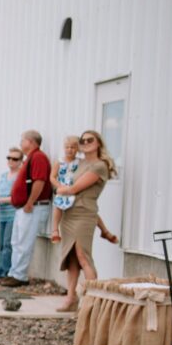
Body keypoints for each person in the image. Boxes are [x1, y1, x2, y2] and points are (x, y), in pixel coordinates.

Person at [54, 130, 119, 311]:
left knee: (83, 256)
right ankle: (71, 298)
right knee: (71, 258)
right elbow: (60, 173)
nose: (86, 142)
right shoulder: (79, 163)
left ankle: (94, 301)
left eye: (90, 139)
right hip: (69, 214)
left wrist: (61, 190)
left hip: (83, 215)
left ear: (98, 142)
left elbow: (74, 188)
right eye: (83, 140)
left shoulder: (99, 166)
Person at [0, 130, 52, 287]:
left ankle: (20, 275)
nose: (21, 143)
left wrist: (30, 202)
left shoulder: (38, 157)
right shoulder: (30, 158)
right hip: (23, 207)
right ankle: (13, 273)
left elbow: (39, 181)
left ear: (31, 142)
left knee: (24, 242)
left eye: (23, 140)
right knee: (16, 241)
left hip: (32, 207)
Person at [0, 149, 23, 278]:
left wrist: (0, 200)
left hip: (12, 213)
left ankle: (5, 272)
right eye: (9, 158)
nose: (11, 161)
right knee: (1, 243)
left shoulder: (20, 176)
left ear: (20, 161)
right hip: (2, 212)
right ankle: (0, 269)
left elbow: (17, 197)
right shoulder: (4, 175)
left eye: (15, 159)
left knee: (8, 243)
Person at [49, 136, 81, 242]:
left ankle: (72, 231)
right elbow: (52, 177)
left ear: (77, 149)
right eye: (67, 147)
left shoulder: (80, 162)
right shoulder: (59, 162)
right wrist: (59, 186)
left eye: (73, 147)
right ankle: (54, 230)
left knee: (74, 207)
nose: (70, 149)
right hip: (62, 188)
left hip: (74, 188)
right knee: (58, 206)